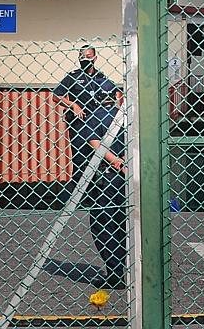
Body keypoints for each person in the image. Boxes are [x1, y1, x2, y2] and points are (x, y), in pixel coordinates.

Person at [53, 46, 126, 288]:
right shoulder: (73, 78)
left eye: (89, 56)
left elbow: (96, 140)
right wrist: (72, 105)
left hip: (100, 140)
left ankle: (117, 270)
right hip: (86, 133)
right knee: (88, 169)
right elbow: (56, 96)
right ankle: (121, 268)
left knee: (105, 217)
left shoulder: (104, 81)